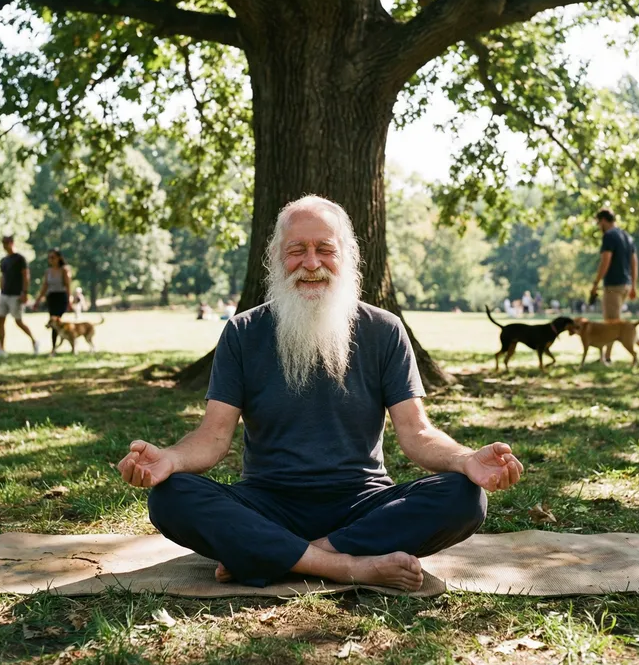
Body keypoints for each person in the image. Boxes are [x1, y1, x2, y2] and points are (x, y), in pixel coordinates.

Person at [117, 196, 524, 592]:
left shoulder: (384, 330)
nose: (311, 264)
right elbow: (212, 437)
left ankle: (275, 556)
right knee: (170, 497)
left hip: (363, 506)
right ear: (277, 257)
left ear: (346, 255)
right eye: (297, 251)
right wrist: (169, 459)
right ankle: (344, 565)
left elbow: (417, 434)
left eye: (324, 250)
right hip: (266, 504)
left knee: (464, 497)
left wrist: (466, 460)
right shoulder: (243, 332)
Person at [590, 209, 639, 364]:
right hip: (625, 284)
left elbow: (606, 260)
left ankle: (609, 357)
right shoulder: (627, 237)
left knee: (611, 324)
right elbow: (634, 262)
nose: (599, 226)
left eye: (599, 223)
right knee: (616, 323)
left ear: (604, 220)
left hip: (613, 284)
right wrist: (633, 285)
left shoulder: (609, 236)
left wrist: (595, 283)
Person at [0, 235, 40, 356]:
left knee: (18, 321)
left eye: (6, 242)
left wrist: (25, 292)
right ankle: (1, 349)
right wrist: (1, 291)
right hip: (5, 294)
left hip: (16, 294)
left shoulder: (20, 259)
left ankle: (34, 341)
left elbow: (26, 275)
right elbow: (3, 277)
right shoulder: (4, 260)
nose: (5, 245)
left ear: (11, 243)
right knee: (0, 320)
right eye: (3, 243)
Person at [33, 249, 72, 355]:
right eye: (49, 257)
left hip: (61, 297)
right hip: (52, 298)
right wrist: (38, 300)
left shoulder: (64, 270)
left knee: (57, 322)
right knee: (53, 322)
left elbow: (68, 286)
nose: (51, 259)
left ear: (59, 258)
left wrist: (69, 300)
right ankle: (54, 347)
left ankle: (67, 342)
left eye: (53, 257)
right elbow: (44, 287)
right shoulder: (48, 271)